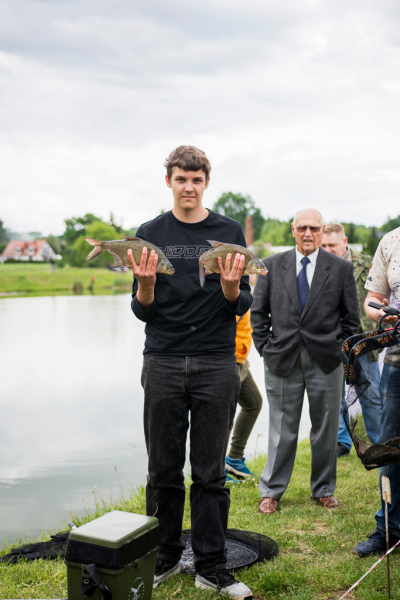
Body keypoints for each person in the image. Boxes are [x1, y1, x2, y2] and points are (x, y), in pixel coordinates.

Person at [129, 146, 253, 598]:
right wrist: (144, 286)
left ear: (206, 183)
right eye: (181, 179)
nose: (189, 187)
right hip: (161, 359)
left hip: (216, 362)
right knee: (162, 469)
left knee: (210, 472)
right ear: (169, 181)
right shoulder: (149, 233)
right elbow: (142, 312)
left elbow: (242, 305)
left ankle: (212, 566)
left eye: (197, 180)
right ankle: (161, 557)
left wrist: (230, 286)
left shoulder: (228, 232)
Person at [251, 208, 360, 515]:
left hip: (326, 359)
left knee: (325, 428)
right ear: (293, 229)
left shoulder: (339, 269)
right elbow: (258, 315)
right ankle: (271, 492)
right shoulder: (270, 266)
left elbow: (351, 320)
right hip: (281, 358)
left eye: (314, 228)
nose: (309, 233)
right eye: (303, 228)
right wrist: (265, 348)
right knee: (281, 428)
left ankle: (324, 489)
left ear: (323, 230)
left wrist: (340, 352)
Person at [353, 226, 400, 557]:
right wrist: (382, 312)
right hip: (397, 361)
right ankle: (388, 530)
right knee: (389, 446)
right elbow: (373, 300)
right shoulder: (392, 241)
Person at [321, 223, 382, 457]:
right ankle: (341, 442)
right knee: (333, 397)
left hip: (363, 341)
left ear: (345, 242)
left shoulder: (367, 263)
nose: (327, 249)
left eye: (332, 245)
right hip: (331, 340)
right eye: (323, 245)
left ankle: (377, 442)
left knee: (371, 394)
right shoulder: (319, 265)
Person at [225, 310, 263, 482]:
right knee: (224, 415)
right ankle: (217, 469)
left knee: (253, 402)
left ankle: (234, 458)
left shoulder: (243, 288)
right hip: (226, 361)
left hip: (239, 361)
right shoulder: (230, 285)